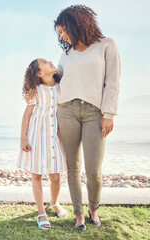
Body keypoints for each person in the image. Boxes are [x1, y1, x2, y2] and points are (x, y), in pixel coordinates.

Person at [54, 5, 121, 231]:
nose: (62, 36)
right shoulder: (66, 54)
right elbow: (56, 84)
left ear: (77, 23)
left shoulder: (106, 45)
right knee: (72, 167)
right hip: (66, 110)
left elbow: (112, 81)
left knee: (94, 170)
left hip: (94, 112)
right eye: (59, 33)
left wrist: (109, 114)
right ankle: (79, 214)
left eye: (63, 30)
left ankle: (94, 209)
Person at [17, 58, 68, 230]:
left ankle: (54, 202)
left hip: (55, 135)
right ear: (39, 73)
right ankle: (41, 212)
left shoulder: (61, 86)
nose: (51, 61)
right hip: (36, 135)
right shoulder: (35, 91)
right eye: (45, 62)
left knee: (55, 174)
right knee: (37, 174)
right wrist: (23, 138)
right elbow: (27, 115)